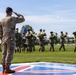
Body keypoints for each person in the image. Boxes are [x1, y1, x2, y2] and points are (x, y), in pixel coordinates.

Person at [0, 7, 25, 73]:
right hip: (10, 38)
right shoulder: (12, 18)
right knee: (10, 52)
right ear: (11, 12)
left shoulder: (2, 20)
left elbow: (0, 31)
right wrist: (17, 13)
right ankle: (7, 68)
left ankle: (3, 67)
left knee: (4, 53)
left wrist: (1, 38)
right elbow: (22, 19)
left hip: (3, 38)